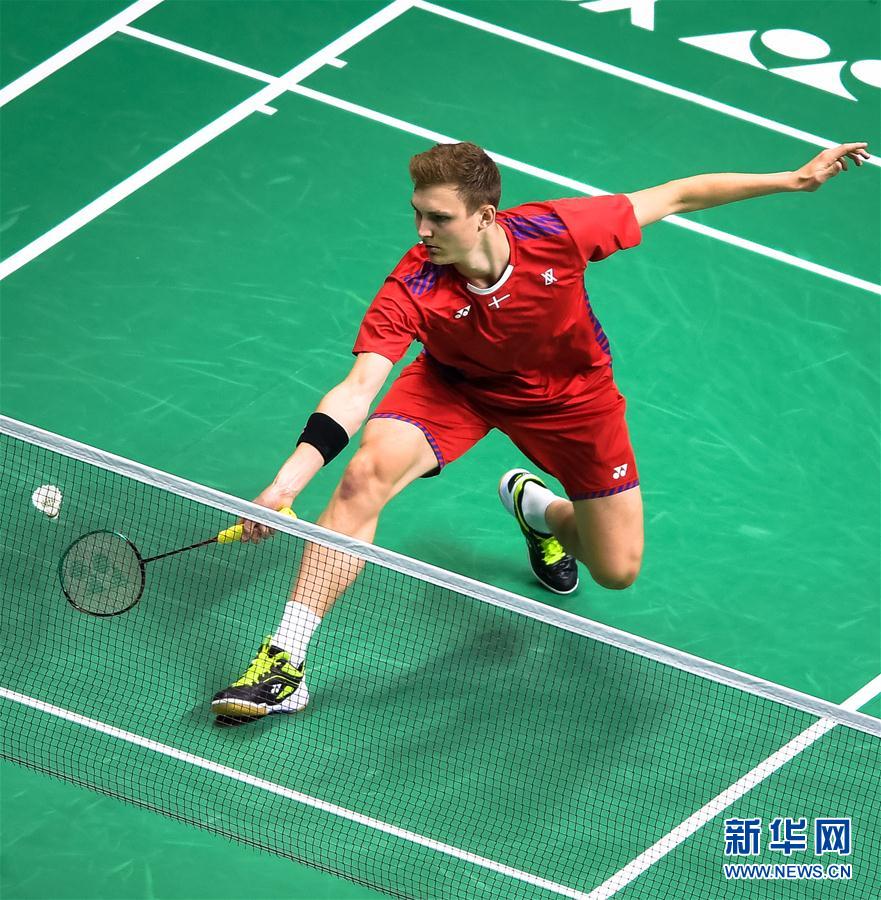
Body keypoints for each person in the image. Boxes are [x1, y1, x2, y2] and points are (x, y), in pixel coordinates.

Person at [211, 139, 869, 721]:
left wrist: (791, 180)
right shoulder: (413, 284)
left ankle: (539, 512)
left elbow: (675, 195)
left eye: (439, 218)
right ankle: (285, 659)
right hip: (457, 387)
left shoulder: (556, 231)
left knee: (616, 569)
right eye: (417, 214)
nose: (422, 231)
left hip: (574, 402)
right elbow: (359, 388)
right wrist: (287, 483)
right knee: (364, 474)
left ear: (485, 216)